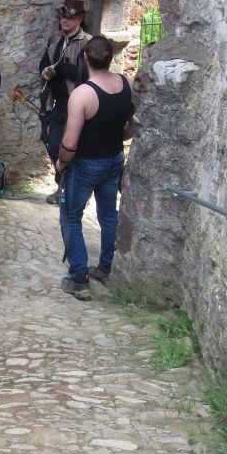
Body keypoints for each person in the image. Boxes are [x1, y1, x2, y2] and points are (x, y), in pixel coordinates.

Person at [53, 35, 134, 301]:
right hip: (114, 159)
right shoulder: (125, 84)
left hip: (86, 164)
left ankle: (78, 278)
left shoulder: (83, 94)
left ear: (86, 58)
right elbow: (129, 127)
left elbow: (70, 141)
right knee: (109, 215)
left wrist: (62, 162)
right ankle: (105, 269)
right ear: (110, 58)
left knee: (70, 216)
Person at [38, 0, 92, 203]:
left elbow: (85, 74)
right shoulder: (56, 39)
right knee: (53, 145)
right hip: (58, 104)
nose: (64, 21)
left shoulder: (87, 43)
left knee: (74, 149)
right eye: (62, 17)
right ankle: (62, 185)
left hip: (77, 105)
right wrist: (45, 71)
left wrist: (59, 68)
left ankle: (71, 190)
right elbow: (44, 62)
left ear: (79, 19)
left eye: (69, 18)